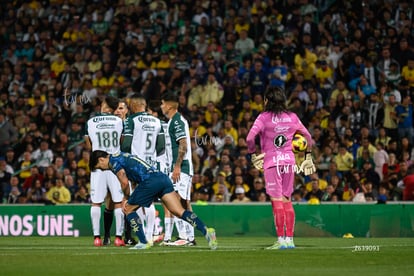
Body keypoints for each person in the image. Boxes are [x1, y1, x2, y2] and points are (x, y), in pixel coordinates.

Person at [89, 150, 217, 250]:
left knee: (128, 209)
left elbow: (123, 181)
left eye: (100, 167)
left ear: (101, 159)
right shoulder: (121, 154)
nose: (102, 169)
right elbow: (132, 173)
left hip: (150, 181)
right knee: (179, 211)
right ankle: (206, 231)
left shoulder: (113, 162)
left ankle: (143, 242)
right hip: (162, 178)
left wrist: (125, 198)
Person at [246, 86, 315, 250]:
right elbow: (308, 136)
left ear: (266, 101)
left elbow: (250, 138)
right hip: (289, 163)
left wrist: (253, 154)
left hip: (272, 163)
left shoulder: (263, 118)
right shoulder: (292, 117)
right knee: (287, 201)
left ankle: (281, 240)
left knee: (276, 201)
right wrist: (308, 156)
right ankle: (290, 240)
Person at [122, 94, 164, 246]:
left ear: (133, 105)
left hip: (136, 164)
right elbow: (161, 148)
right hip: (151, 165)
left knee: (137, 198)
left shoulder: (131, 120)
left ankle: (144, 237)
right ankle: (149, 234)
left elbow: (126, 145)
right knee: (149, 199)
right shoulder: (157, 121)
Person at [84, 96, 125, 247]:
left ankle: (96, 238)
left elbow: (88, 144)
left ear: (103, 105)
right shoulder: (119, 121)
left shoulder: (90, 122)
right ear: (114, 108)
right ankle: (118, 238)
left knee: (96, 202)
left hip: (98, 165)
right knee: (118, 202)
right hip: (114, 163)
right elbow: (122, 141)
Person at [160, 92, 196, 246]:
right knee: (183, 202)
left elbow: (183, 144)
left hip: (181, 168)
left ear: (169, 106)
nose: (161, 107)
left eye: (162, 104)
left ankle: (184, 237)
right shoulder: (173, 121)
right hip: (179, 168)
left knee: (177, 202)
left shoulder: (176, 122)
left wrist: (177, 166)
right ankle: (190, 237)